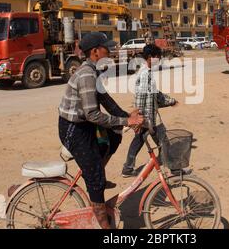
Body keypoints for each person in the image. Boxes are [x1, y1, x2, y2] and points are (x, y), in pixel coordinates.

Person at [58, 32, 144, 229]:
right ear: (95, 52)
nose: (110, 50)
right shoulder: (86, 74)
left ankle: (95, 174)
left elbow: (107, 101)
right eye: (107, 47)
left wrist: (127, 116)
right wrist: (126, 120)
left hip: (83, 124)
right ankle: (106, 228)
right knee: (95, 178)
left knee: (114, 134)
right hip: (73, 129)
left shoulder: (93, 70)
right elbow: (93, 115)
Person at [121, 44, 191, 177]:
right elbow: (141, 98)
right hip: (149, 117)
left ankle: (127, 168)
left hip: (147, 116)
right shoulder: (144, 74)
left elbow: (155, 93)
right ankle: (175, 169)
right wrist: (139, 118)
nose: (159, 61)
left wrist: (170, 101)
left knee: (139, 140)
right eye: (157, 58)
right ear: (149, 58)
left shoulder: (146, 72)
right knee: (164, 141)